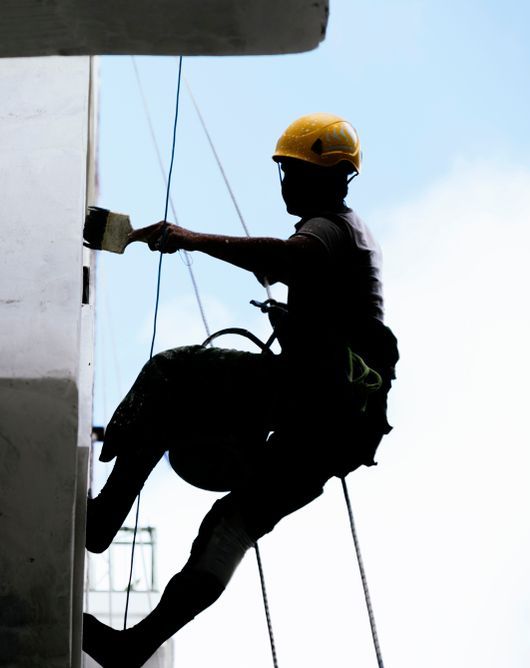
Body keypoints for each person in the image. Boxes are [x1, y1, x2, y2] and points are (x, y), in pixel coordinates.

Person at [82, 113, 399, 668]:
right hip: (340, 431)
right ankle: (133, 646)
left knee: (172, 372)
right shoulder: (347, 237)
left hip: (311, 398)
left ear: (325, 179)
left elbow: (286, 258)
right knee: (232, 525)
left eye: (293, 173)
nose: (286, 185)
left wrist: (190, 239)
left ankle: (102, 518)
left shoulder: (328, 228)